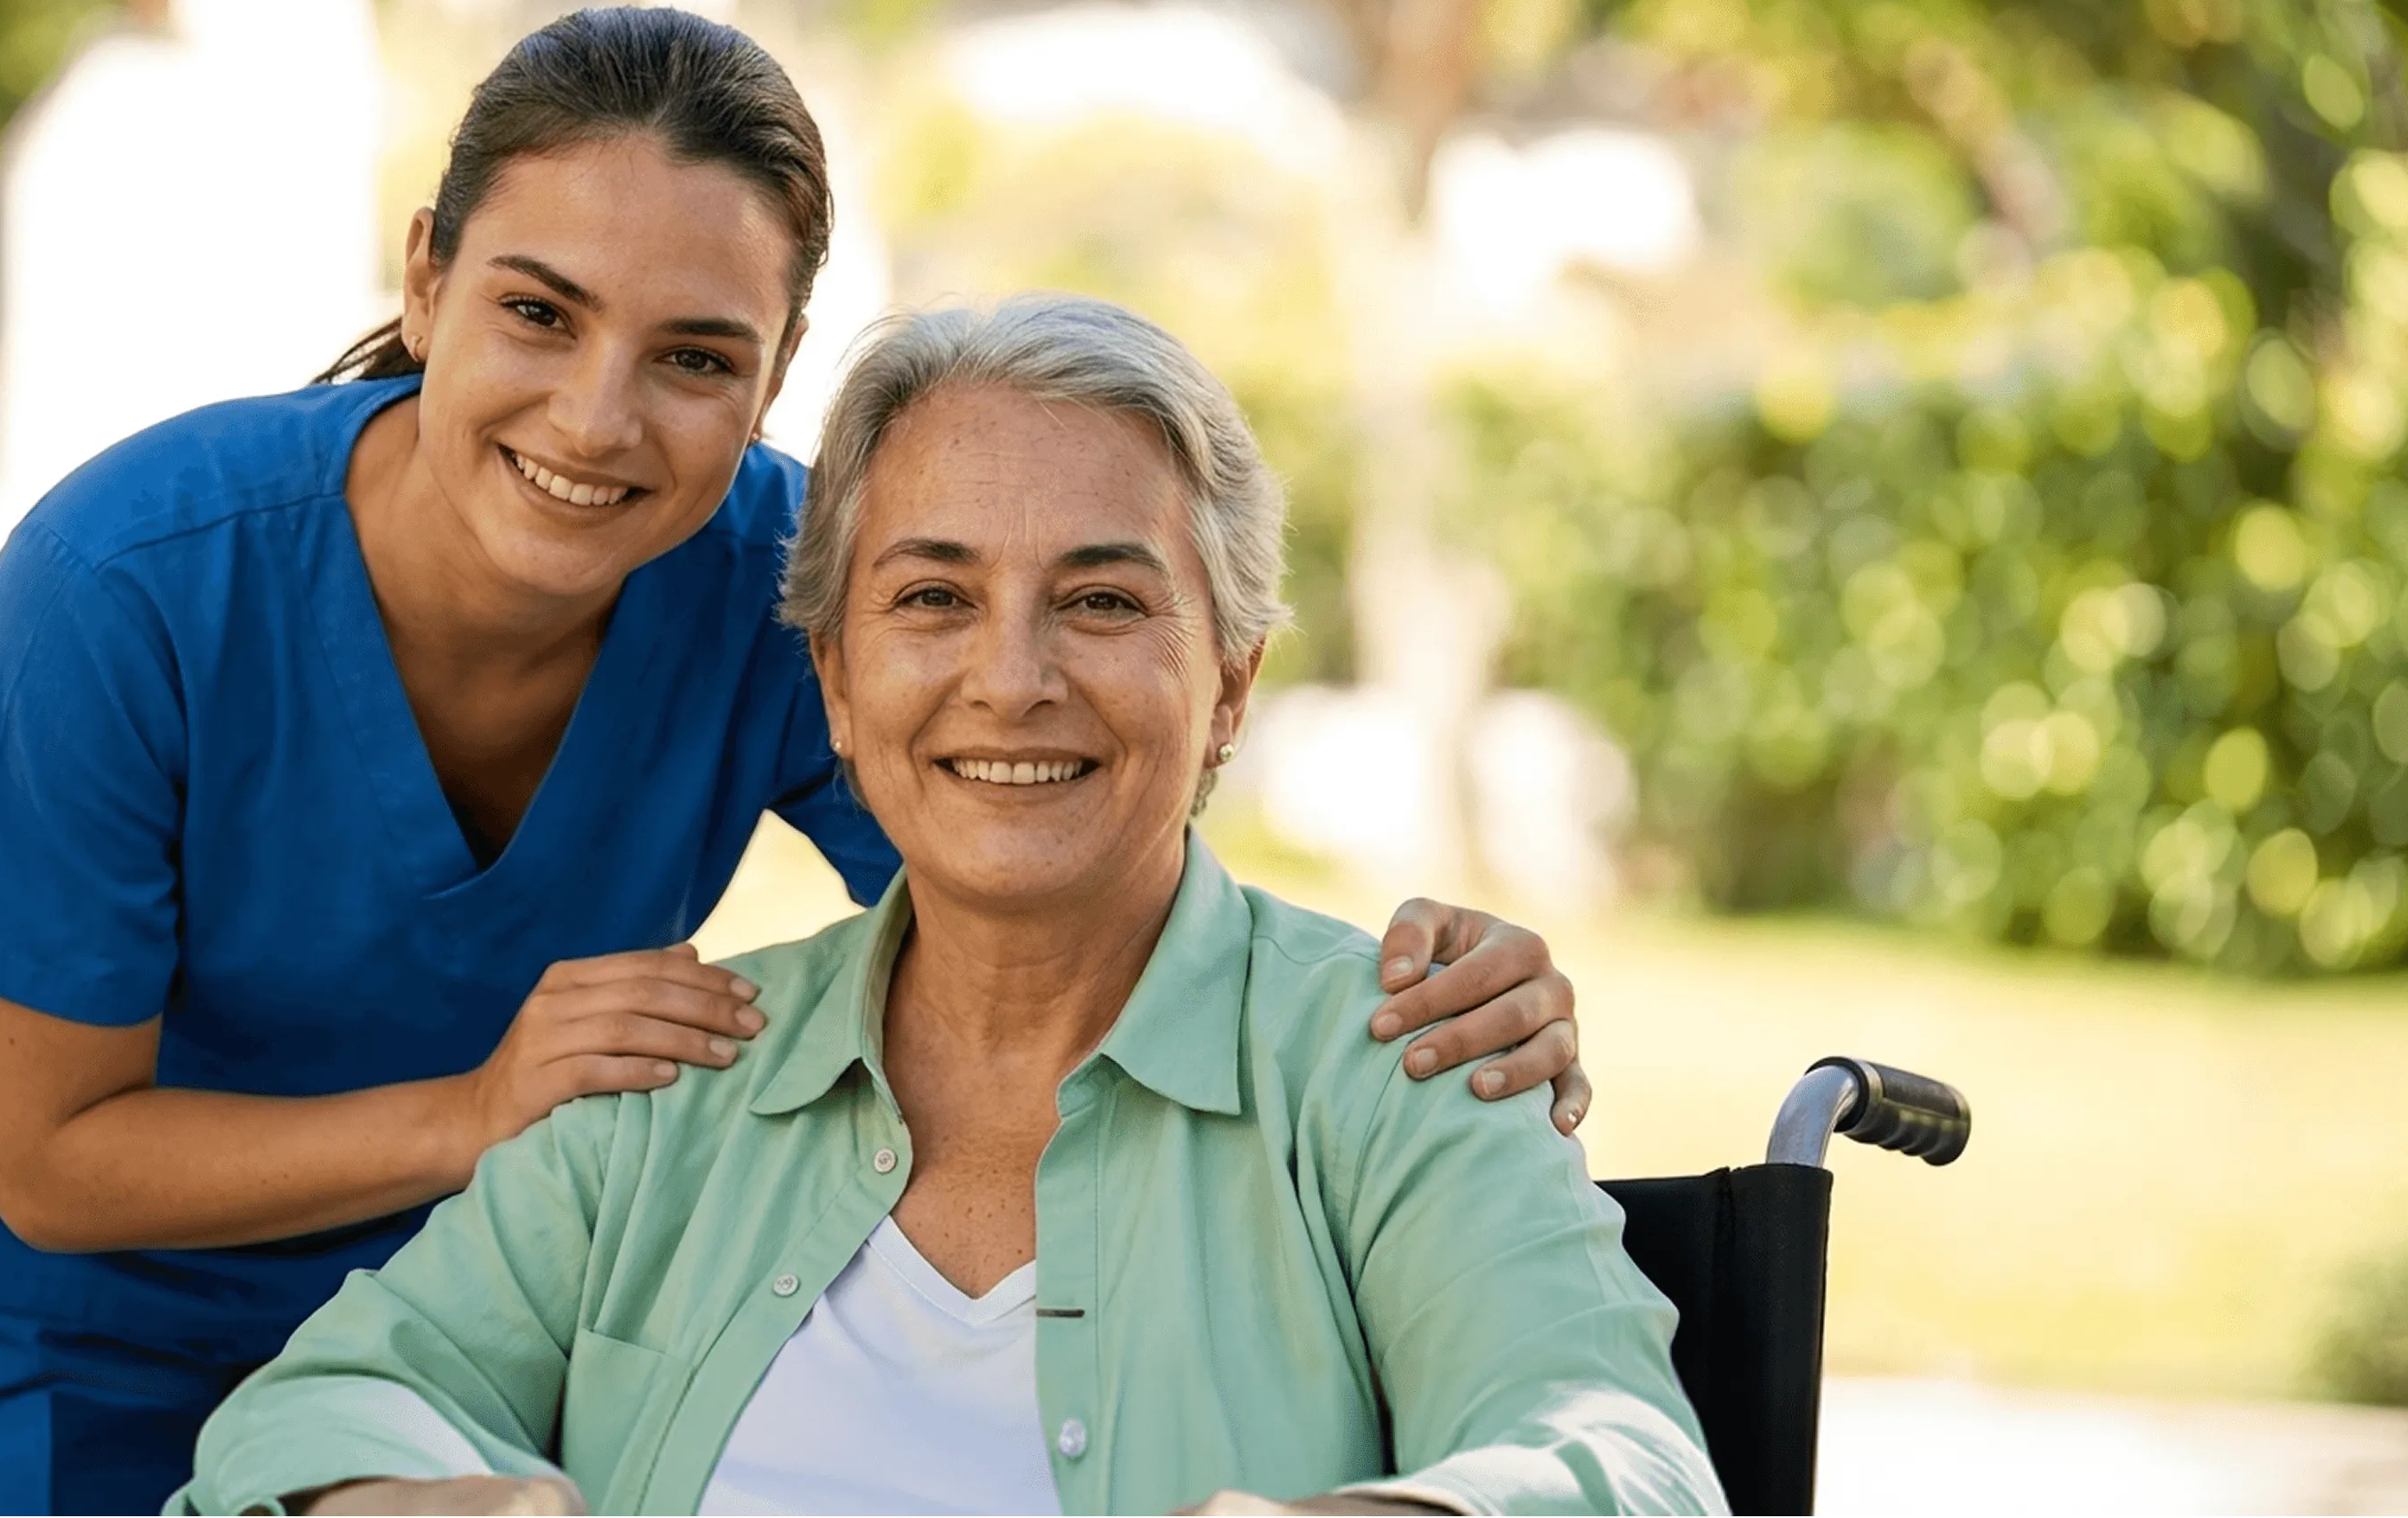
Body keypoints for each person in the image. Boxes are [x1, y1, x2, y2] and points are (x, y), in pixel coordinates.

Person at [0, 11, 1595, 1518]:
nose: (598, 416)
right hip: (42, 1308)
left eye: (695, 355)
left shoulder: (797, 585)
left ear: (778, 368)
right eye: (538, 312)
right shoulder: (132, 583)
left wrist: (1387, 1024)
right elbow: (53, 1157)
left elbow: (1036, 878)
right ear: (425, 279)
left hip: (450, 1276)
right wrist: (477, 1110)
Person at [174, 297, 1718, 1518]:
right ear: (836, 683)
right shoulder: (676, 1078)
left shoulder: (1393, 1064)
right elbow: (320, 1405)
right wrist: (403, 1495)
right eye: (930, 598)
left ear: (1230, 683)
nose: (1011, 676)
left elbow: (1623, 1462)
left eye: (1104, 600)